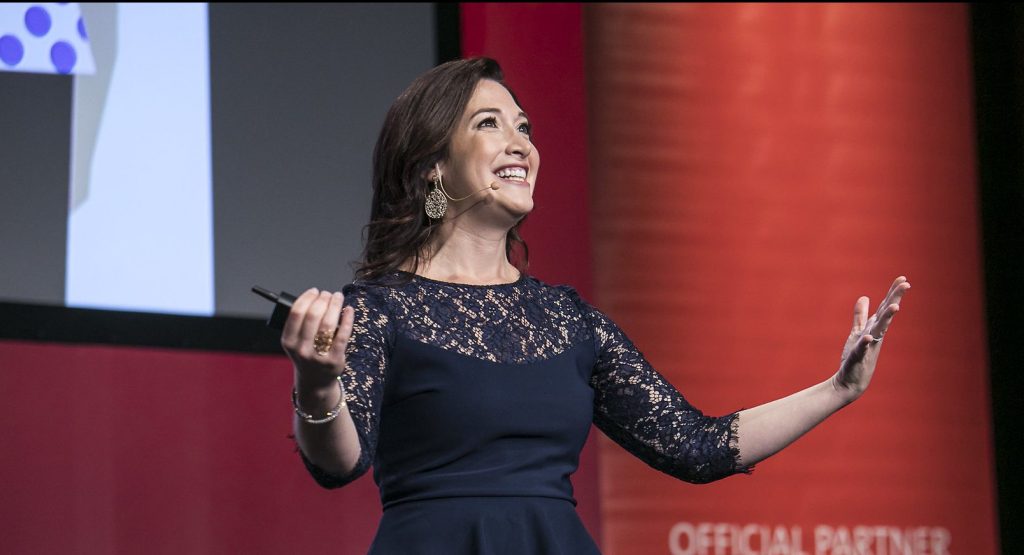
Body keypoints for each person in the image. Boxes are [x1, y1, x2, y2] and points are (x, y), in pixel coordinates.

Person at [280, 57, 910, 554]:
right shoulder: (380, 309)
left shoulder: (571, 322)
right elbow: (340, 463)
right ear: (434, 168)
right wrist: (317, 385)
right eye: (488, 123)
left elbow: (698, 446)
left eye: (524, 126)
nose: (521, 142)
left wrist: (837, 389)